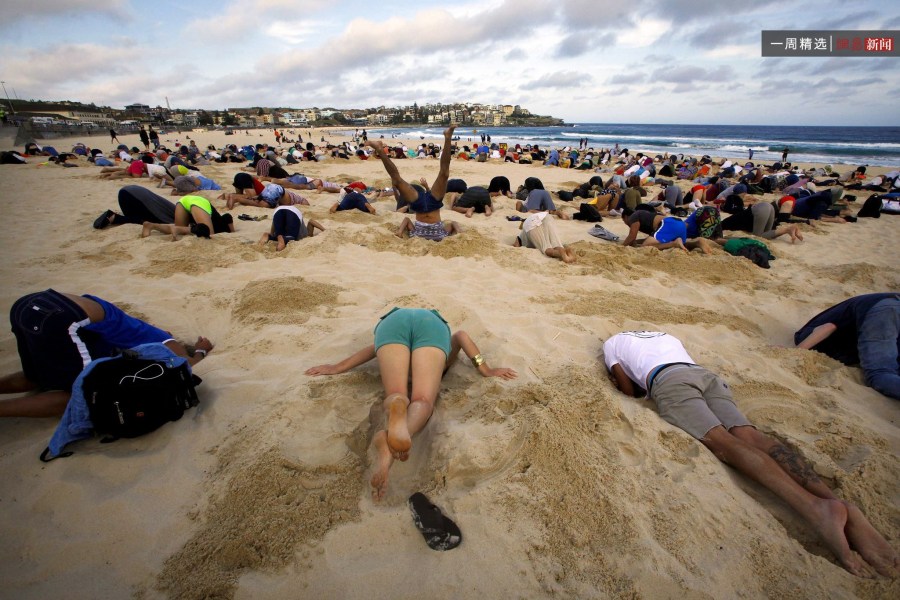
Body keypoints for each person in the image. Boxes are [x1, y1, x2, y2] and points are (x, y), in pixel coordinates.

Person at [603, 331, 899, 577]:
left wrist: (625, 385)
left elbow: (629, 390)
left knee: (724, 443)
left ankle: (816, 510)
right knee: (750, 436)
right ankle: (835, 501)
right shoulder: (664, 335)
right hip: (706, 376)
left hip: (669, 381)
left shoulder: (612, 343)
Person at [305, 307, 517, 499]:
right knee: (423, 400)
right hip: (431, 327)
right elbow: (461, 336)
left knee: (397, 392)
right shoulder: (442, 350)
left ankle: (397, 404)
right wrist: (484, 368)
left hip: (393, 323)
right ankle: (392, 442)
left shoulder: (396, 326)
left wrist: (338, 367)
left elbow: (376, 348)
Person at [0, 290, 213, 418]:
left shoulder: (124, 331)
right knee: (82, 395)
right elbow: (185, 363)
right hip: (61, 318)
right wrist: (201, 349)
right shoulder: (161, 337)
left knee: (35, 377)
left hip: (26, 305)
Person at [795, 293, 899, 400]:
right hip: (889, 305)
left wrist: (798, 350)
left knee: (880, 373)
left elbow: (829, 327)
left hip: (883, 310)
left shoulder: (803, 336)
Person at [366, 126, 461, 241]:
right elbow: (453, 224)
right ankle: (447, 137)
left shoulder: (415, 235)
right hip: (434, 200)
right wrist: (460, 233)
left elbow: (407, 221)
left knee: (397, 180)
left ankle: (380, 150)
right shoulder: (442, 235)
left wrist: (400, 232)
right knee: (444, 174)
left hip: (418, 203)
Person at [142, 195, 233, 239]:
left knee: (178, 228)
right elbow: (227, 217)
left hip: (185, 200)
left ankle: (152, 225)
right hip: (199, 203)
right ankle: (180, 229)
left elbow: (227, 216)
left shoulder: (221, 222)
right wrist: (233, 232)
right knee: (208, 233)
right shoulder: (222, 226)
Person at [257, 205, 325, 251]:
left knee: (277, 236)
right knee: (292, 237)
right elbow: (311, 221)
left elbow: (310, 222)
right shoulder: (307, 235)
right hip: (294, 212)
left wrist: (272, 234)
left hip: (279, 210)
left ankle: (268, 236)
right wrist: (325, 230)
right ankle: (283, 238)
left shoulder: (304, 230)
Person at [620, 208, 687, 251]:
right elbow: (652, 238)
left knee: (645, 246)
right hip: (680, 224)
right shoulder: (645, 215)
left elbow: (632, 236)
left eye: (624, 221)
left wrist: (620, 247)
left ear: (626, 217)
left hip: (668, 223)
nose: (626, 223)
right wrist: (637, 242)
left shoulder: (633, 216)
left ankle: (673, 244)